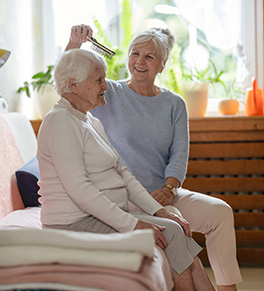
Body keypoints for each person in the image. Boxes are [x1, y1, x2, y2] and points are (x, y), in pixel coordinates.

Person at [65, 24, 242, 291]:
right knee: (173, 226)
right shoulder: (108, 94)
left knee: (220, 212)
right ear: (127, 57)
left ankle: (229, 288)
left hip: (163, 193)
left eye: (149, 56)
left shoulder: (174, 104)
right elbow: (69, 85)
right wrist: (74, 44)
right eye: (135, 53)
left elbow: (179, 155)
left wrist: (169, 190)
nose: (140, 61)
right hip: (127, 197)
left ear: (162, 65)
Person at [37, 48, 214, 291]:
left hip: (97, 216)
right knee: (171, 234)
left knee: (174, 228)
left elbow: (123, 173)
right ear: (73, 85)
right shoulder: (60, 121)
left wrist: (159, 211)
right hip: (73, 223)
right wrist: (134, 225)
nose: (106, 86)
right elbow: (79, 189)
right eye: (99, 80)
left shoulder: (90, 120)